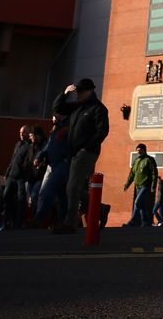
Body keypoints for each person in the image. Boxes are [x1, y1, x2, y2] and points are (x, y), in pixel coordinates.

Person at [51, 77, 109, 233]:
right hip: (73, 153)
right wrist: (64, 94)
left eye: (81, 92)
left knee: (72, 187)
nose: (78, 94)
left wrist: (86, 148)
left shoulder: (98, 108)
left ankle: (70, 223)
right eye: (77, 92)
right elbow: (58, 108)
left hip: (86, 153)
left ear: (90, 91)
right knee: (72, 187)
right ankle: (100, 208)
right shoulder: (77, 106)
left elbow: (102, 131)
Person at [2, 125, 33, 231]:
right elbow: (13, 159)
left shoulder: (30, 146)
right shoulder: (18, 144)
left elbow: (28, 161)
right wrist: (7, 172)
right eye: (20, 132)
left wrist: (24, 172)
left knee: (21, 199)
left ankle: (19, 222)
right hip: (11, 175)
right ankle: (8, 220)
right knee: (6, 196)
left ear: (28, 133)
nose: (21, 134)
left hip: (21, 177)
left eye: (24, 132)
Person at [123, 143, 158, 227]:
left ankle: (133, 222)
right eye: (137, 150)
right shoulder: (136, 161)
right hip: (137, 186)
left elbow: (154, 173)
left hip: (146, 185)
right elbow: (132, 174)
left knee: (137, 202)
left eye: (140, 150)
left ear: (144, 150)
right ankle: (146, 222)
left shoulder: (149, 160)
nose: (138, 152)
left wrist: (153, 186)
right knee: (141, 204)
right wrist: (127, 185)